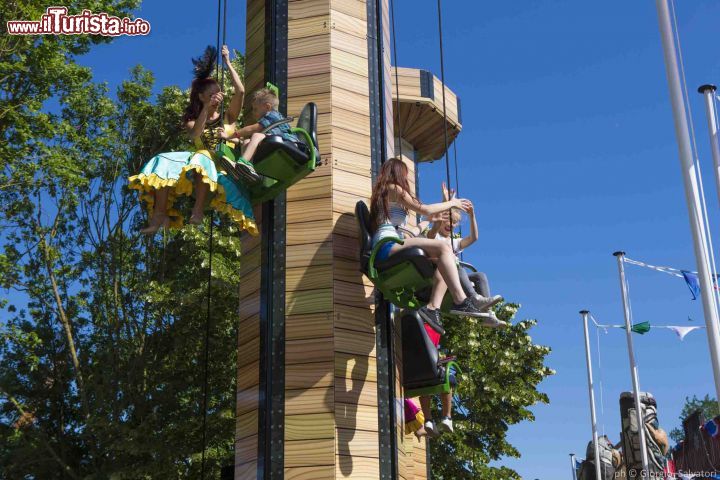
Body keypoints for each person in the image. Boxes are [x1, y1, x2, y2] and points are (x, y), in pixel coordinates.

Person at [128, 45, 256, 235]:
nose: (216, 97)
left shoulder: (228, 116)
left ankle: (197, 210)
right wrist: (206, 108)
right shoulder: (192, 120)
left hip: (222, 166)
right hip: (199, 164)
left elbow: (241, 91)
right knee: (162, 161)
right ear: (202, 97)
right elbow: (195, 134)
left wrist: (228, 62)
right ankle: (159, 215)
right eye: (211, 94)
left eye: (218, 92)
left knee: (203, 155)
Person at [369, 157, 488, 333]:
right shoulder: (392, 188)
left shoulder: (387, 195)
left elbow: (412, 232)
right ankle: (461, 300)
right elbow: (425, 208)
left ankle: (432, 308)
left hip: (394, 242)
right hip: (386, 245)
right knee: (443, 248)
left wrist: (427, 221)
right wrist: (452, 203)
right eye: (405, 174)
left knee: (444, 261)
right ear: (398, 173)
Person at [425, 183, 506, 327]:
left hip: (455, 277)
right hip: (438, 273)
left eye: (454, 222)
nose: (450, 224)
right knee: (457, 267)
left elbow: (473, 238)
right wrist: (446, 202)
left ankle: (488, 314)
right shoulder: (435, 235)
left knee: (479, 276)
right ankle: (474, 298)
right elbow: (432, 232)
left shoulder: (454, 242)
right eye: (448, 220)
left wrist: (472, 215)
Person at [218, 87, 308, 177]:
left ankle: (243, 162)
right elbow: (247, 143)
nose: (253, 112)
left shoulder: (272, 115)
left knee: (256, 135)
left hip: (291, 143)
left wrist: (229, 136)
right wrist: (229, 139)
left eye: (255, 109)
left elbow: (251, 129)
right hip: (280, 142)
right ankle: (245, 171)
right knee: (246, 142)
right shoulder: (268, 127)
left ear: (267, 107)